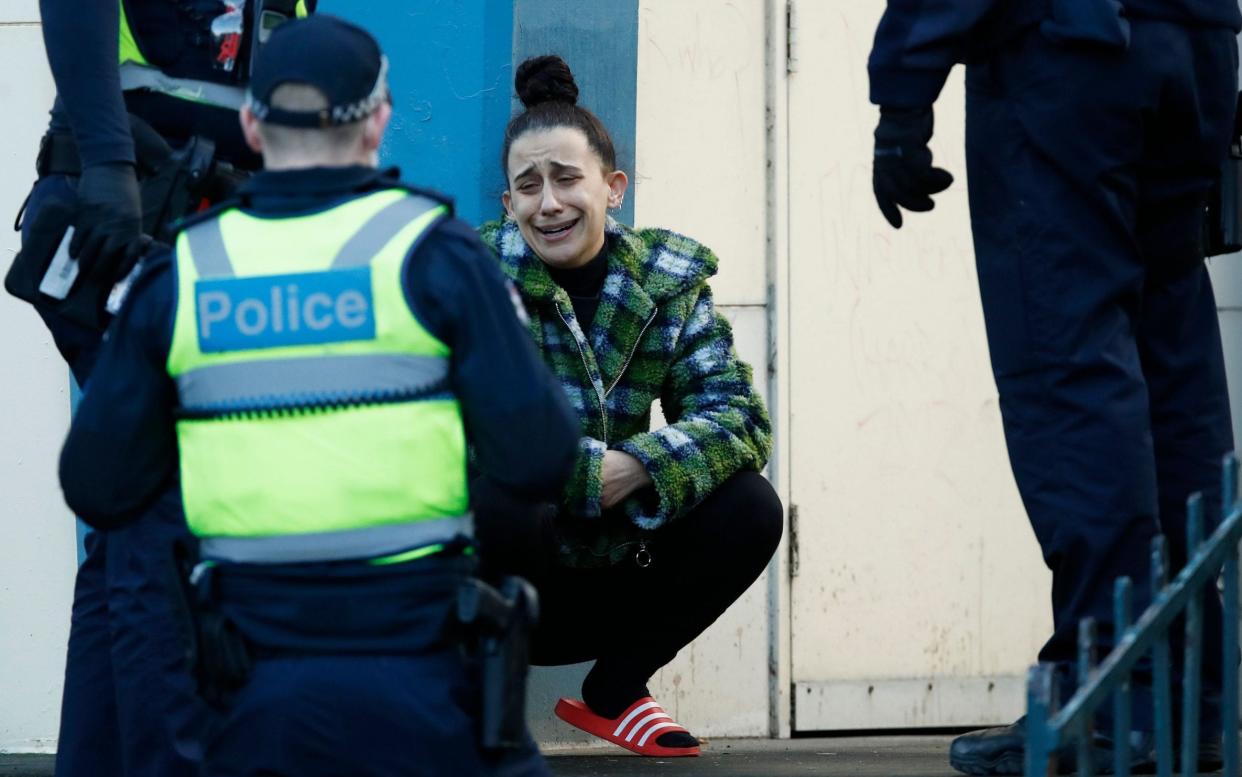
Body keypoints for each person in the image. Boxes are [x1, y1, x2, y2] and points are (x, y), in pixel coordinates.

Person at [58, 15, 579, 777]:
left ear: (250, 123)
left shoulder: (179, 277)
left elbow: (97, 487)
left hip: (242, 697)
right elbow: (542, 457)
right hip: (423, 677)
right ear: (379, 120)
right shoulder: (439, 254)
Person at [867, 0, 1240, 773]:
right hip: (1197, 48)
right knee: (1174, 360)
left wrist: (903, 90)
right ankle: (1197, 701)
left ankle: (1110, 701)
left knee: (1071, 368)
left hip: (1072, 51)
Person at [18, 2, 308, 775]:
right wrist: (108, 167)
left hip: (202, 230)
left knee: (133, 534)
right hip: (129, 217)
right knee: (171, 528)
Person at [476, 54, 784, 758]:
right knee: (497, 498)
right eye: (527, 187)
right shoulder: (474, 281)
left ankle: (615, 688)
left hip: (620, 568)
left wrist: (637, 466)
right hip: (508, 575)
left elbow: (738, 417)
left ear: (612, 188)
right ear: (508, 205)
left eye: (565, 178)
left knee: (751, 506)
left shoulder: (667, 283)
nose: (547, 203)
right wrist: (587, 476)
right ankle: (479, 706)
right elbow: (461, 430)